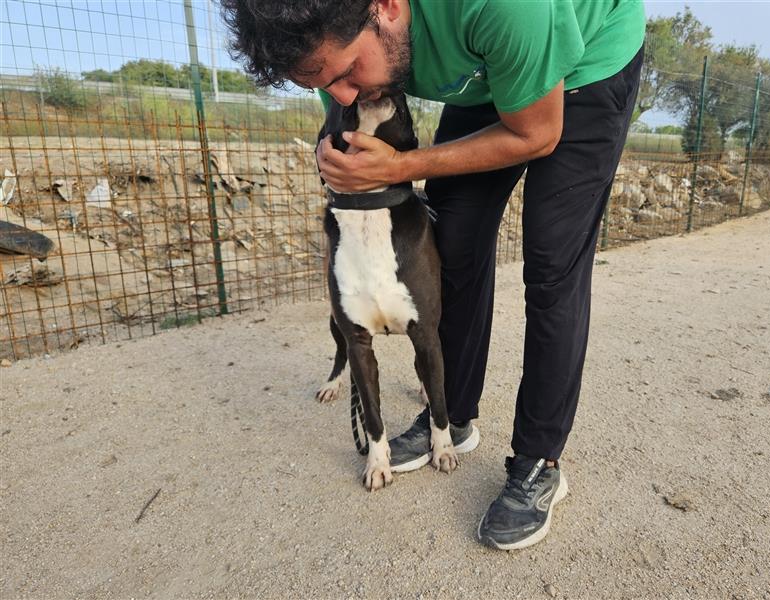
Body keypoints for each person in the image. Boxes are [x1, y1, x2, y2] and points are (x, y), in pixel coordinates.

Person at [222, 0, 645, 550]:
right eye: (326, 84)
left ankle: (538, 461)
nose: (346, 95)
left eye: (349, 72)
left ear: (387, 9)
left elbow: (535, 133)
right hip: (488, 70)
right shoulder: (337, 34)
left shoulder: (502, 8)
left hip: (586, 63)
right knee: (455, 243)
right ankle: (453, 415)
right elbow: (342, 87)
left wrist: (399, 168)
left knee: (552, 268)